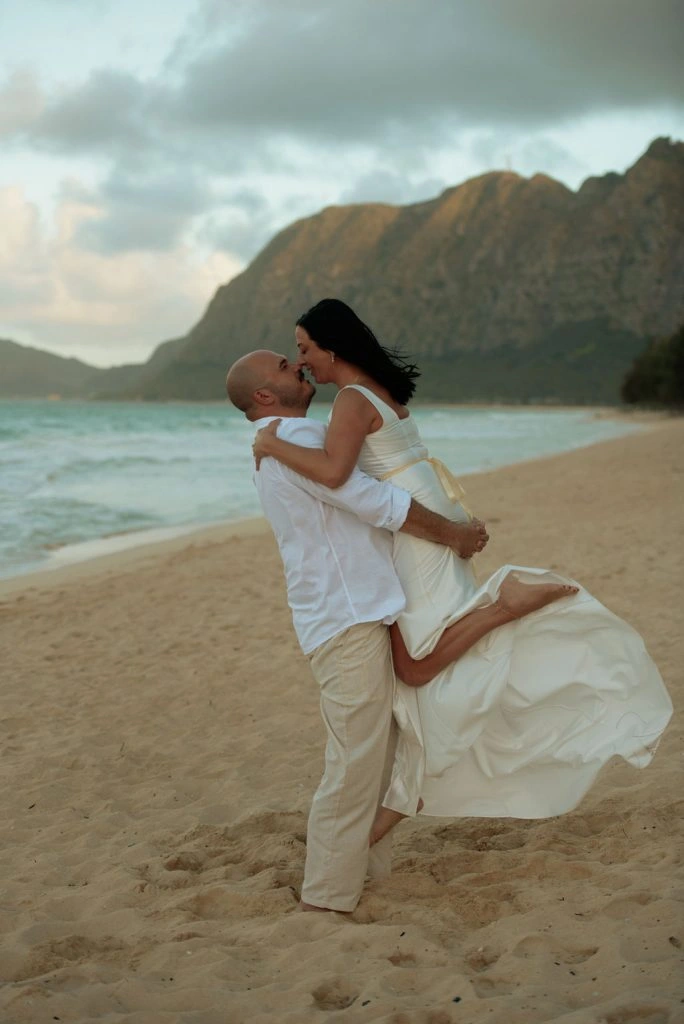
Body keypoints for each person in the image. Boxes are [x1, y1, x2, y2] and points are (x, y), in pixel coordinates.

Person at [252, 298, 673, 828]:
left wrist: (270, 442)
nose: (303, 360)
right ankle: (406, 796)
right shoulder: (378, 392)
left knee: (412, 665)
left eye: (304, 348)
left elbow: (335, 473)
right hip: (426, 510)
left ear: (330, 346)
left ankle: (505, 605)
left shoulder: (352, 401)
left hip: (415, 529)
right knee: (414, 670)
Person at [226, 349, 503, 913]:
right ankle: (326, 896)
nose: (296, 365)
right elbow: (372, 500)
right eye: (284, 364)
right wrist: (452, 535)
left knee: (378, 747)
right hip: (344, 614)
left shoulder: (290, 436)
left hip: (359, 607)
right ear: (262, 394)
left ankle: (364, 870)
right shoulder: (293, 438)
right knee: (354, 757)